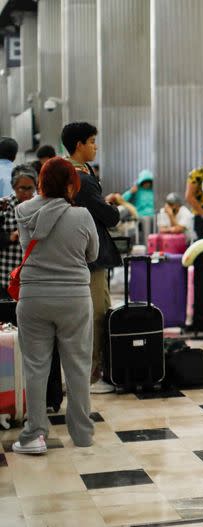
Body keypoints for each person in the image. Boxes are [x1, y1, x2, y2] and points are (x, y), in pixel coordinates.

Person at [12, 157, 99, 454]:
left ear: (40, 182)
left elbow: (29, 243)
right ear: (70, 184)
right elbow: (92, 253)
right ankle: (83, 435)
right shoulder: (83, 215)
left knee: (36, 368)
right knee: (77, 365)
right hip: (74, 297)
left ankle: (35, 435)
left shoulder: (22, 211)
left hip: (33, 296)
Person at [67, 122, 121, 395]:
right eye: (91, 141)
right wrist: (113, 208)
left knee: (98, 311)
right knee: (96, 315)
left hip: (80, 252)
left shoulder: (74, 171)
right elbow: (108, 216)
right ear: (79, 145)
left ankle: (92, 369)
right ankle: (92, 373)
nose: (95, 146)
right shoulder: (82, 177)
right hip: (91, 254)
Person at [0, 165, 38, 293]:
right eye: (22, 188)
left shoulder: (41, 207)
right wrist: (10, 236)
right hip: (6, 277)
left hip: (33, 279)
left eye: (30, 188)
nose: (27, 193)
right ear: (13, 186)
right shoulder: (3, 206)